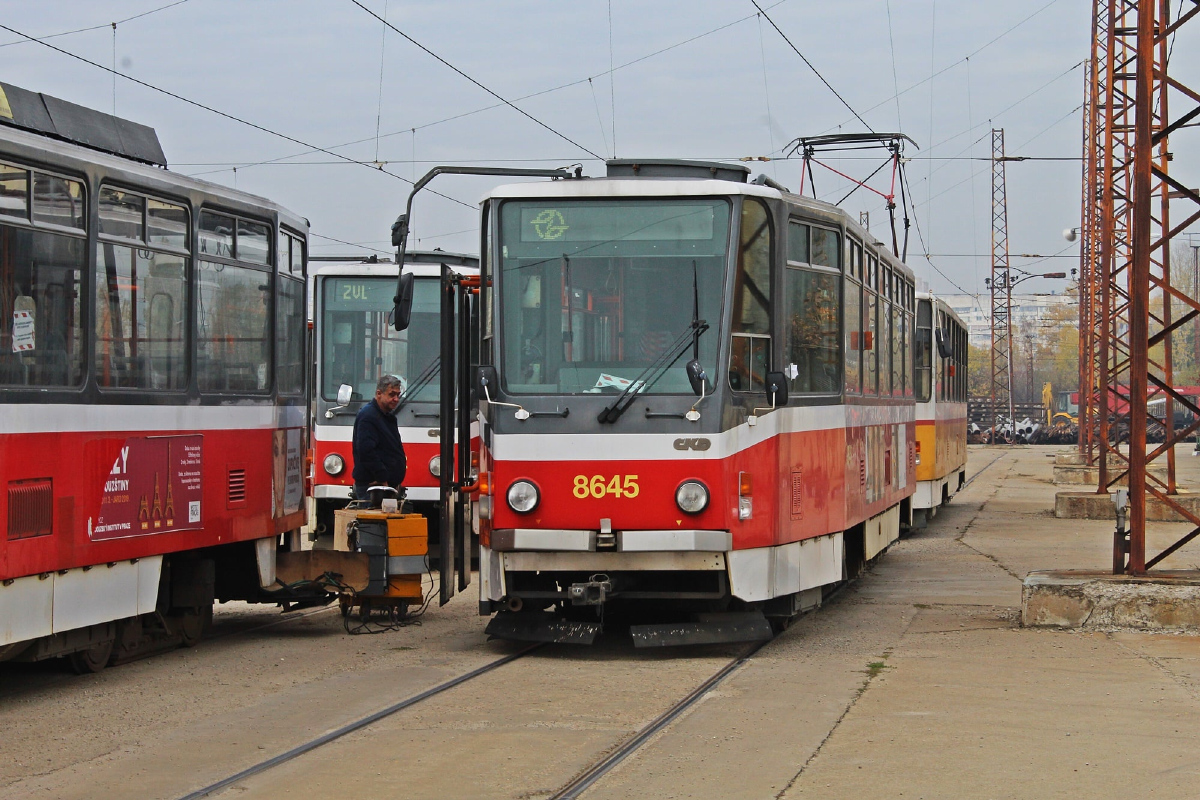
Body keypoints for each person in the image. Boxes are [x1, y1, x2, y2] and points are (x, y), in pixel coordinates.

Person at [352, 375, 407, 504]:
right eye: (392, 394)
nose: (396, 399)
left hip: (384, 487)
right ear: (378, 394)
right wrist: (382, 477)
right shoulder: (369, 416)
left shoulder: (386, 416)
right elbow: (366, 451)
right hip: (374, 489)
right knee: (374, 523)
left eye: (398, 395)